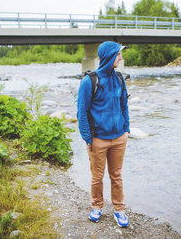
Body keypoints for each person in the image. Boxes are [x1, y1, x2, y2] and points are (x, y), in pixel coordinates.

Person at [77, 41, 130, 228]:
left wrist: (126, 130)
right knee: (97, 177)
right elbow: (81, 112)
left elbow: (124, 106)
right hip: (98, 139)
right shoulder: (89, 81)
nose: (121, 58)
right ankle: (97, 207)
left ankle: (119, 210)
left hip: (119, 138)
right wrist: (88, 138)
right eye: (118, 54)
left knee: (116, 176)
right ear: (109, 56)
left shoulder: (120, 79)